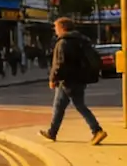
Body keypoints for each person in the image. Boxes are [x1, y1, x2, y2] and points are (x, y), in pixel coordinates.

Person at [40, 17, 108, 145]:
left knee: (79, 105)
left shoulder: (63, 42)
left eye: (56, 27)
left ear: (63, 27)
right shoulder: (81, 40)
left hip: (68, 80)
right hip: (79, 78)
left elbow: (60, 64)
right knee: (59, 106)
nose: (55, 30)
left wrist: (53, 78)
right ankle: (52, 132)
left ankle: (97, 130)